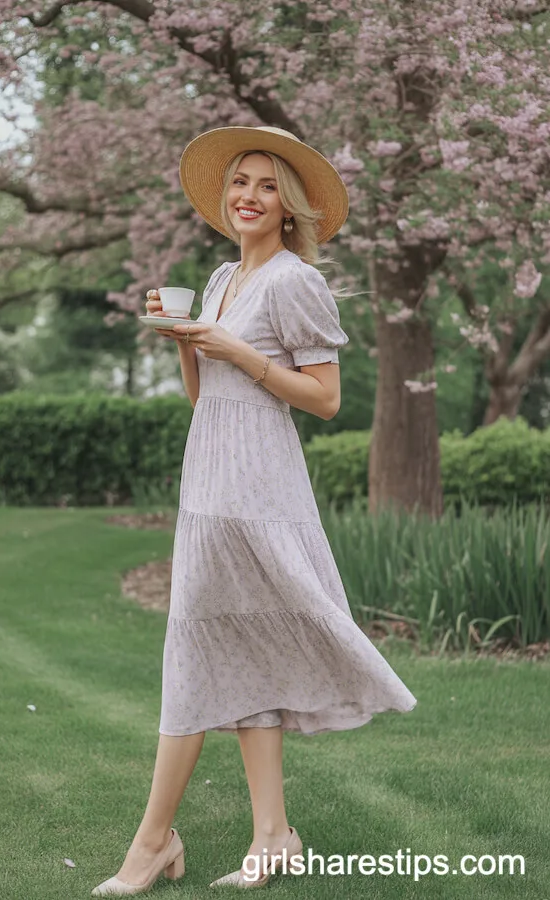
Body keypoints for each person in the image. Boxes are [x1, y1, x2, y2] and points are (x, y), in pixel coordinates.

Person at [91, 126, 417, 897]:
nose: (248, 196)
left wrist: (232, 349)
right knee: (238, 649)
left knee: (195, 651)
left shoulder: (295, 281)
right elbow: (208, 397)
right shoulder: (218, 279)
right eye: (240, 181)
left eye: (267, 186)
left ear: (289, 205)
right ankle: (273, 835)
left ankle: (153, 842)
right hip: (209, 479)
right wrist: (184, 339)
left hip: (259, 487)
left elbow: (326, 400)